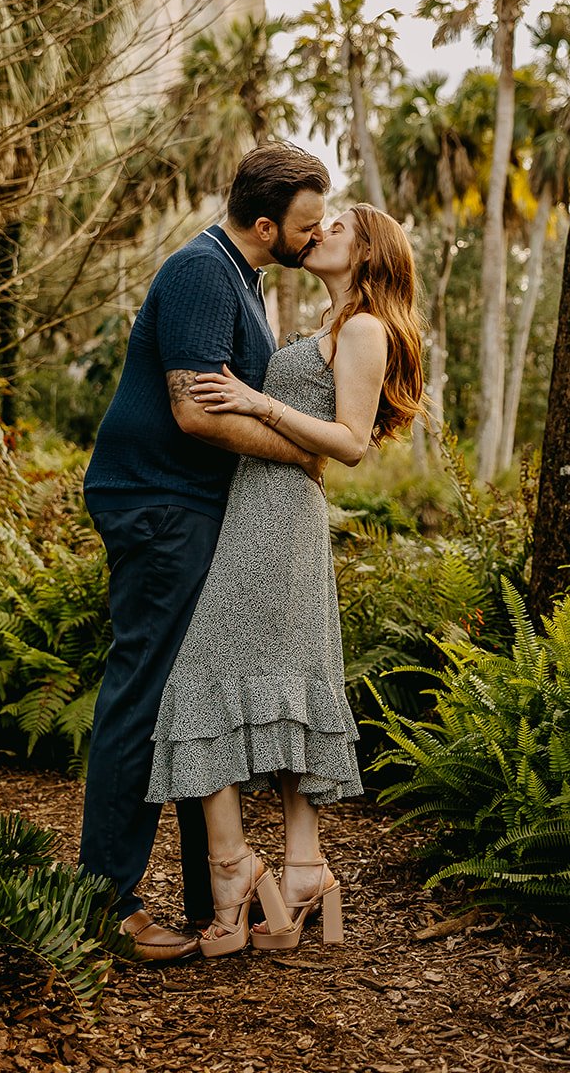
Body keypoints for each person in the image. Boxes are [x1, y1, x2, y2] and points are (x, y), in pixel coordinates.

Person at [147, 205, 424, 956]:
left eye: (337, 227)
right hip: (259, 508)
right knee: (282, 682)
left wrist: (253, 399)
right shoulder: (329, 327)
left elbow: (352, 444)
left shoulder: (364, 328)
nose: (319, 231)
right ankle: (301, 869)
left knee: (201, 678)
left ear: (368, 253)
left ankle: (231, 868)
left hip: (278, 519)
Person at [79, 144, 332, 962]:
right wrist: (298, 452)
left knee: (193, 694)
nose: (316, 230)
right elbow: (192, 412)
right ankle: (104, 904)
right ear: (266, 225)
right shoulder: (200, 271)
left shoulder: (241, 278)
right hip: (156, 502)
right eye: (305, 222)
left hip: (192, 505)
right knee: (147, 693)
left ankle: (210, 893)